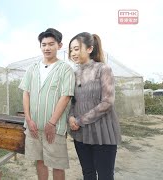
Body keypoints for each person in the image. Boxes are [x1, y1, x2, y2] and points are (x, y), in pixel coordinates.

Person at [19, 28, 75, 180]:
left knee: (57, 164)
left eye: (51, 44)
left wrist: (52, 122)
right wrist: (29, 120)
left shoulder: (65, 69)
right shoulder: (32, 68)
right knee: (40, 160)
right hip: (34, 126)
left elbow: (66, 96)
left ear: (59, 45)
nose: (47, 48)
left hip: (55, 127)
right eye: (44, 45)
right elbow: (26, 93)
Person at [68, 32, 121, 180]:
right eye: (71, 49)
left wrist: (79, 121)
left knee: (105, 175)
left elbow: (107, 102)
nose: (73, 53)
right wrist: (71, 116)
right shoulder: (74, 73)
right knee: (88, 174)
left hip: (102, 134)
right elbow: (73, 100)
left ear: (90, 49)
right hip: (81, 135)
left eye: (77, 49)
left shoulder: (103, 69)